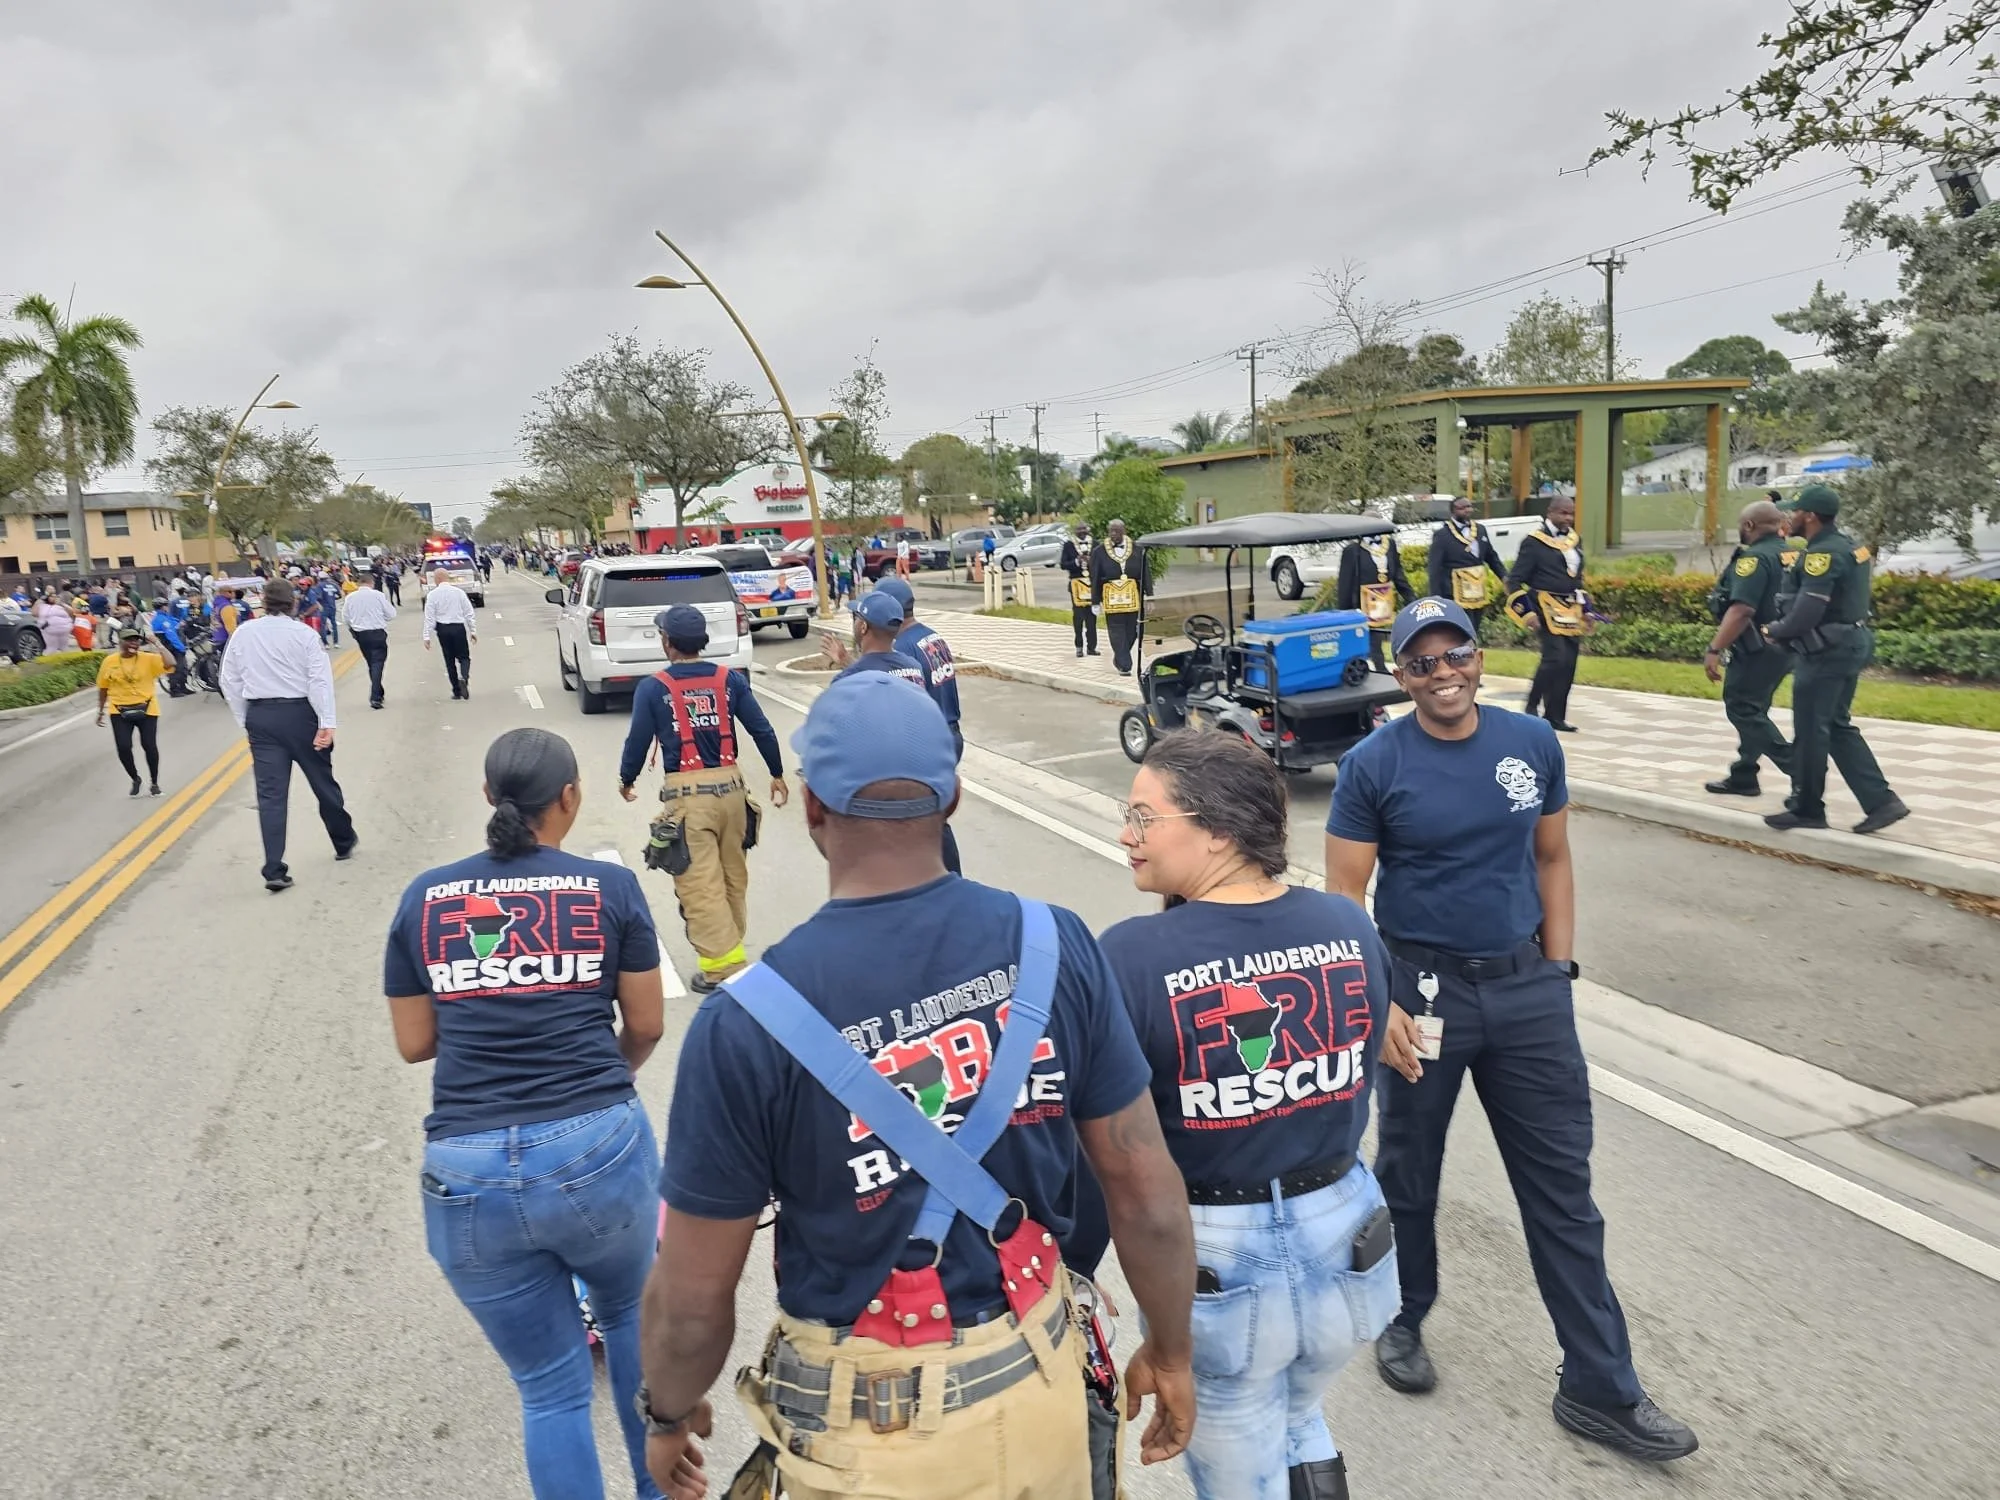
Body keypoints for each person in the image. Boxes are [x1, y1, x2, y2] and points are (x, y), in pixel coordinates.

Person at [636, 671, 1197, 1500]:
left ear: (817, 811)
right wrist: (1172, 1350)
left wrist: (667, 1414)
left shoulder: (746, 1024)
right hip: (1041, 1393)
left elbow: (691, 1298)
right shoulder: (1056, 944)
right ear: (955, 798)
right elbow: (1144, 1186)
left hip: (872, 1444)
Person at [1324, 596, 1698, 1464]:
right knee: (1408, 1173)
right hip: (1421, 992)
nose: (1444, 674)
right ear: (1401, 673)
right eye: (1422, 663)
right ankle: (1403, 1317)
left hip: (1528, 992)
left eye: (1457, 655)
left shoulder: (1530, 743)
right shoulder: (1375, 765)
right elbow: (1344, 899)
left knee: (1563, 1193)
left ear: (1480, 658)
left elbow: (1552, 858)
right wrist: (1377, 1004)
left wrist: (1558, 973)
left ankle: (1600, 1388)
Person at [1100, 730, 1394, 1500]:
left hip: (1223, 1264)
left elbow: (1115, 1155)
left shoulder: (1133, 956)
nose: (1125, 836)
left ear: (1219, 831)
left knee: (1241, 1462)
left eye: (1142, 818)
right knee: (1299, 1413)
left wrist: (1158, 1337)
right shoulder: (1349, 926)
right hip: (1348, 1239)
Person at [384, 728, 668, 1500]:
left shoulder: (427, 898)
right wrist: (607, 1074)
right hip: (597, 1147)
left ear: (489, 798)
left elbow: (415, 1043)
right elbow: (645, 1025)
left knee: (548, 1391)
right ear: (570, 798)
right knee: (633, 1329)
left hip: (466, 1173)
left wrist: (489, 991)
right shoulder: (608, 891)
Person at [617, 604, 788, 993]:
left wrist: (626, 779)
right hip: (733, 792)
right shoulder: (729, 680)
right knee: (732, 875)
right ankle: (730, 950)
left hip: (689, 799)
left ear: (667, 641)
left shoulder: (653, 687)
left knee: (699, 884)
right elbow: (761, 729)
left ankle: (723, 971)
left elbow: (638, 742)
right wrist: (776, 774)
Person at [1762, 484, 1910, 835]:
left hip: (1825, 653)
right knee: (1838, 726)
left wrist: (1774, 630)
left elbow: (1808, 613)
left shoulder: (1822, 555)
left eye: (1795, 511)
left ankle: (1807, 808)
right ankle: (1882, 802)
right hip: (1850, 643)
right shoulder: (1852, 547)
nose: (1789, 516)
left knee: (1812, 731)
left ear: (1810, 516)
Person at [220, 577, 357, 893]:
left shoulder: (244, 633)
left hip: (261, 716)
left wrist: (246, 720)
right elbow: (319, 681)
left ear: (263, 603)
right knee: (322, 781)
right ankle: (343, 840)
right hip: (300, 714)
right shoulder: (304, 634)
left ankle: (273, 868)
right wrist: (327, 722)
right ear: (293, 602)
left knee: (270, 795)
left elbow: (229, 680)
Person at [1703, 498, 1794, 797]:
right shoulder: (1793, 554)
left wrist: (1715, 649)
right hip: (1787, 645)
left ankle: (1796, 765)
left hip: (1757, 649)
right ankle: (1744, 775)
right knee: (1756, 711)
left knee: (1742, 708)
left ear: (1749, 526)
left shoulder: (1753, 560)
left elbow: (1741, 610)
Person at [1503, 494, 1587, 732]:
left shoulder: (1574, 540)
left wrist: (1587, 609)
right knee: (1554, 658)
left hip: (1570, 610)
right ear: (1550, 512)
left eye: (1571, 513)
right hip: (1543, 607)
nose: (1568, 518)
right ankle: (1531, 706)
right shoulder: (1534, 542)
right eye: (1563, 513)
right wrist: (1527, 613)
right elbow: (1515, 580)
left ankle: (1555, 715)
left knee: (1568, 663)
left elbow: (1578, 578)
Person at [96, 625, 172, 796]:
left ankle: (154, 783)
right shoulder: (109, 662)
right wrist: (100, 711)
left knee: (149, 746)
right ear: (120, 642)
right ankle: (135, 778)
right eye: (129, 640)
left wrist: (158, 644)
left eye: (136, 640)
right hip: (119, 710)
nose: (133, 643)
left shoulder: (148, 659)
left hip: (147, 708)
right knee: (123, 747)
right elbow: (103, 688)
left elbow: (171, 663)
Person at [1336, 528, 1415, 669]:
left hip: (1385, 599)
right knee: (1371, 638)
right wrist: (1345, 612)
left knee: (1389, 633)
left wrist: (1410, 597)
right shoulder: (1353, 550)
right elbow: (1345, 582)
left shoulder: (1390, 544)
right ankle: (1379, 667)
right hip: (1362, 602)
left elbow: (1398, 573)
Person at [1425, 496, 1507, 631]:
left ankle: (1473, 650)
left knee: (1475, 627)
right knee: (1461, 628)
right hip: (1454, 593)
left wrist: (1504, 576)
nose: (1467, 510)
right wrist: (1436, 597)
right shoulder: (1442, 535)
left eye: (1469, 506)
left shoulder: (1480, 530)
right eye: (1462, 508)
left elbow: (1491, 557)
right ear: (1453, 511)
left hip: (1477, 591)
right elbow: (1434, 568)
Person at [1090, 519, 1149, 675]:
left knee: (1133, 631)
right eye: (1111, 531)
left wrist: (1149, 596)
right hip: (1111, 598)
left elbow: (1145, 574)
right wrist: (1095, 601)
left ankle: (1120, 657)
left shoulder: (1138, 550)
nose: (1114, 534)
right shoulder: (1099, 552)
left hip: (1133, 597)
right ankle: (1125, 664)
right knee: (1116, 631)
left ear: (1124, 530)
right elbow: (1094, 577)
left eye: (1117, 531)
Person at [343, 571, 398, 710]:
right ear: (371, 583)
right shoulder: (378, 595)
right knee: (378, 663)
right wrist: (380, 618)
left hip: (361, 635)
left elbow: (346, 618)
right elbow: (391, 614)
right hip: (377, 633)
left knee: (371, 663)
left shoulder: (350, 597)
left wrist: (353, 628)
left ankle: (379, 691)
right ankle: (375, 697)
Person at [423, 567, 478, 699]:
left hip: (443, 630)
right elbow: (469, 612)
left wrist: (426, 636)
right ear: (447, 577)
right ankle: (464, 677)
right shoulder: (458, 592)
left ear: (437, 579)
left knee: (449, 660)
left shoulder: (432, 595)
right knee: (464, 657)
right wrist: (473, 630)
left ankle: (456, 691)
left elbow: (429, 617)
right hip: (458, 628)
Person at [1061, 521, 1100, 658]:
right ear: (1075, 531)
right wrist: (1077, 561)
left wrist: (1091, 562)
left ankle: (1092, 647)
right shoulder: (1069, 545)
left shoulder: (1095, 544)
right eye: (1079, 529)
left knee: (1092, 617)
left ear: (1087, 529)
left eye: (1084, 529)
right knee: (1078, 617)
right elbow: (1063, 564)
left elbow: (1101, 564)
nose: (1082, 531)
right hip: (1076, 585)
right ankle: (1079, 646)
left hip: (1092, 585)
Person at [148, 596, 194, 697]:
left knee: (182, 667)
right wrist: (181, 647)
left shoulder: (162, 618)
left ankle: (182, 687)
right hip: (172, 647)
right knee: (176, 669)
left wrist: (179, 623)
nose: (167, 607)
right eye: (166, 605)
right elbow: (172, 636)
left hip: (168, 647)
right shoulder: (163, 620)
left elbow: (173, 622)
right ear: (162, 607)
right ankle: (174, 690)